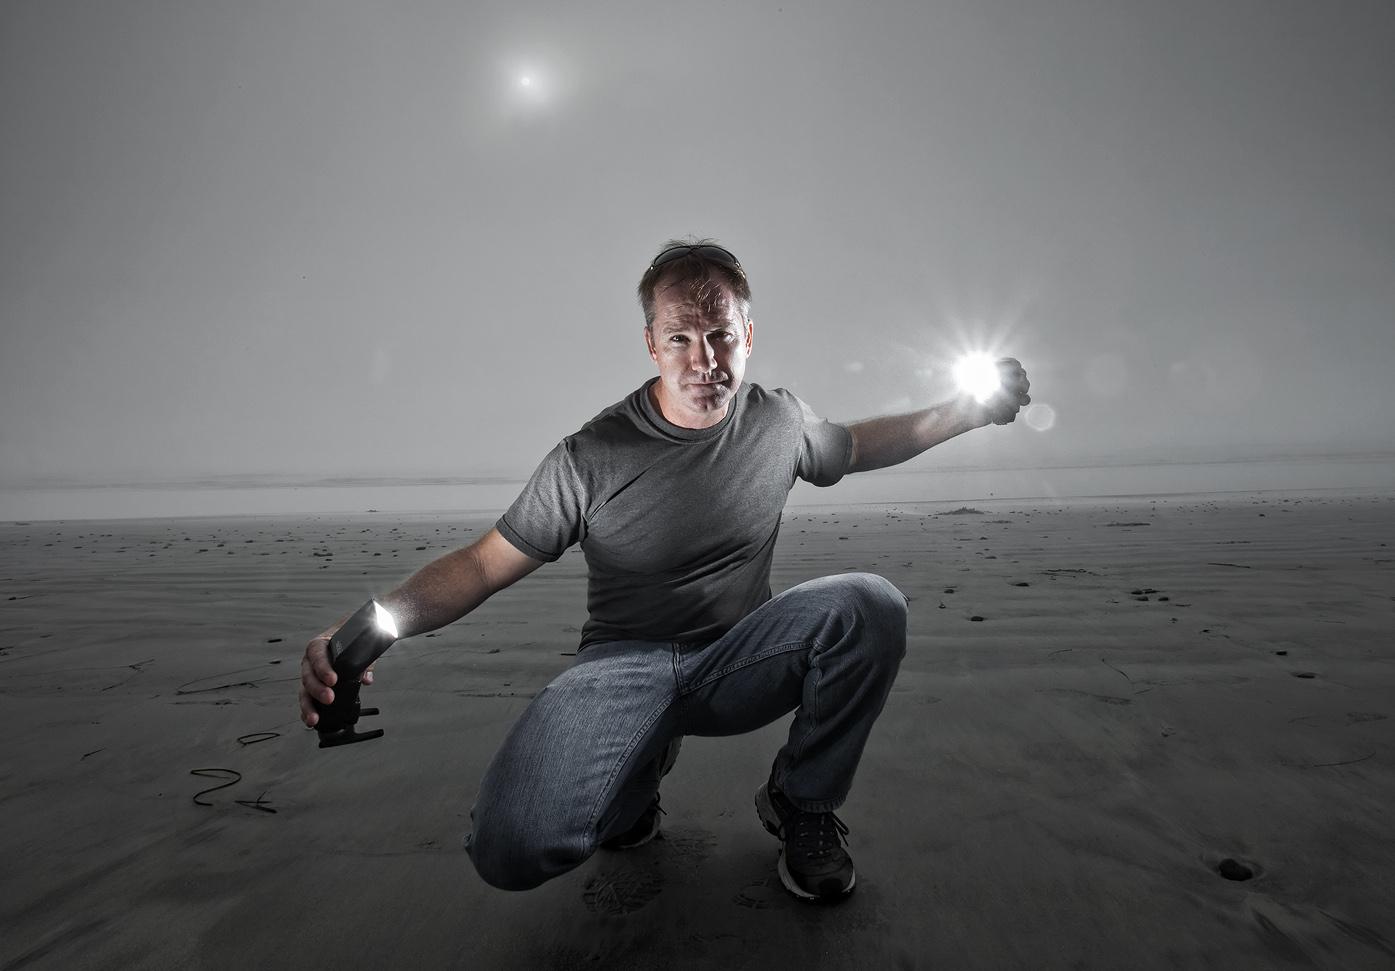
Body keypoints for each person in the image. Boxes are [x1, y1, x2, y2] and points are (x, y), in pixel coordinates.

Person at [298, 239, 1031, 903]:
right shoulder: (589, 456)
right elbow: (483, 564)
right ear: (651, 343)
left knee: (870, 604)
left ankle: (801, 803)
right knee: (508, 850)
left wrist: (968, 412)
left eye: (720, 335)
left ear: (747, 335)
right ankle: (633, 783)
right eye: (680, 337)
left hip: (740, 658)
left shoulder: (777, 422)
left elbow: (859, 445)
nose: (704, 360)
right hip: (621, 667)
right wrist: (362, 628)